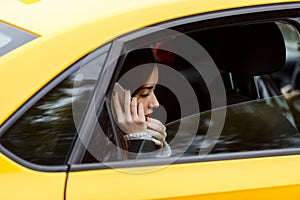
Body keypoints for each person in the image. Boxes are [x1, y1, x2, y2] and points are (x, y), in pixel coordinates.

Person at [111, 63, 171, 159]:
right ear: (119, 96)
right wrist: (139, 139)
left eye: (154, 90)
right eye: (145, 93)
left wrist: (158, 149)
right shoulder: (104, 148)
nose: (155, 103)